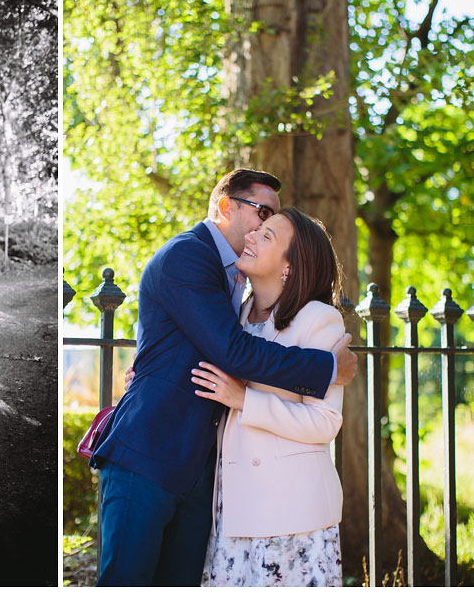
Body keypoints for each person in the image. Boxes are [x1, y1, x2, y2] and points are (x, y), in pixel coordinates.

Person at [91, 168, 357, 586]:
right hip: (148, 456)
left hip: (204, 479)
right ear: (225, 207)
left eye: (272, 225)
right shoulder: (188, 255)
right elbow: (233, 351)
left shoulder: (239, 289)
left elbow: (212, 348)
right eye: (262, 213)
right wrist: (326, 368)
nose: (263, 226)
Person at [192, 207, 345, 586]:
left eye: (266, 236)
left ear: (289, 264)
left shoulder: (318, 319)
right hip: (232, 511)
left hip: (291, 513)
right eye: (256, 231)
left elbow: (325, 422)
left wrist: (246, 401)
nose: (251, 237)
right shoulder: (235, 317)